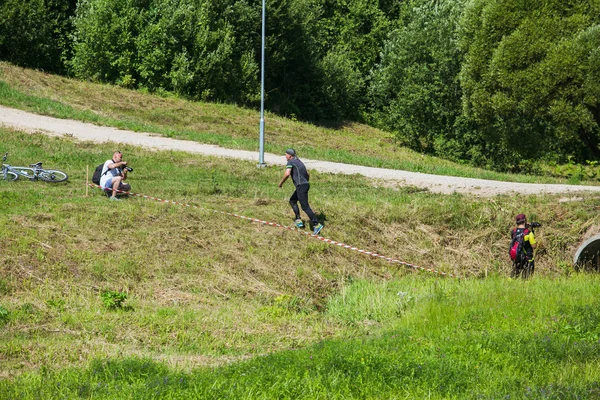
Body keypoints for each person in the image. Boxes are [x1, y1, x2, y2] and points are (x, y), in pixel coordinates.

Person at [278, 148, 324, 235]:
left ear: (289, 156)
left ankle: (316, 224)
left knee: (305, 206)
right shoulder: (299, 162)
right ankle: (298, 219)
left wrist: (281, 183)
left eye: (286, 154)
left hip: (301, 186)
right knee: (292, 200)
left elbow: (287, 174)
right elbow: (307, 174)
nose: (285, 156)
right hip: (305, 185)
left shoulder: (291, 162)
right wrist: (305, 182)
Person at [510, 213, 537, 278]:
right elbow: (534, 246)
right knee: (526, 279)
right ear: (525, 221)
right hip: (528, 258)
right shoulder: (528, 233)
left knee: (513, 277)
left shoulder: (513, 232)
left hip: (517, 258)